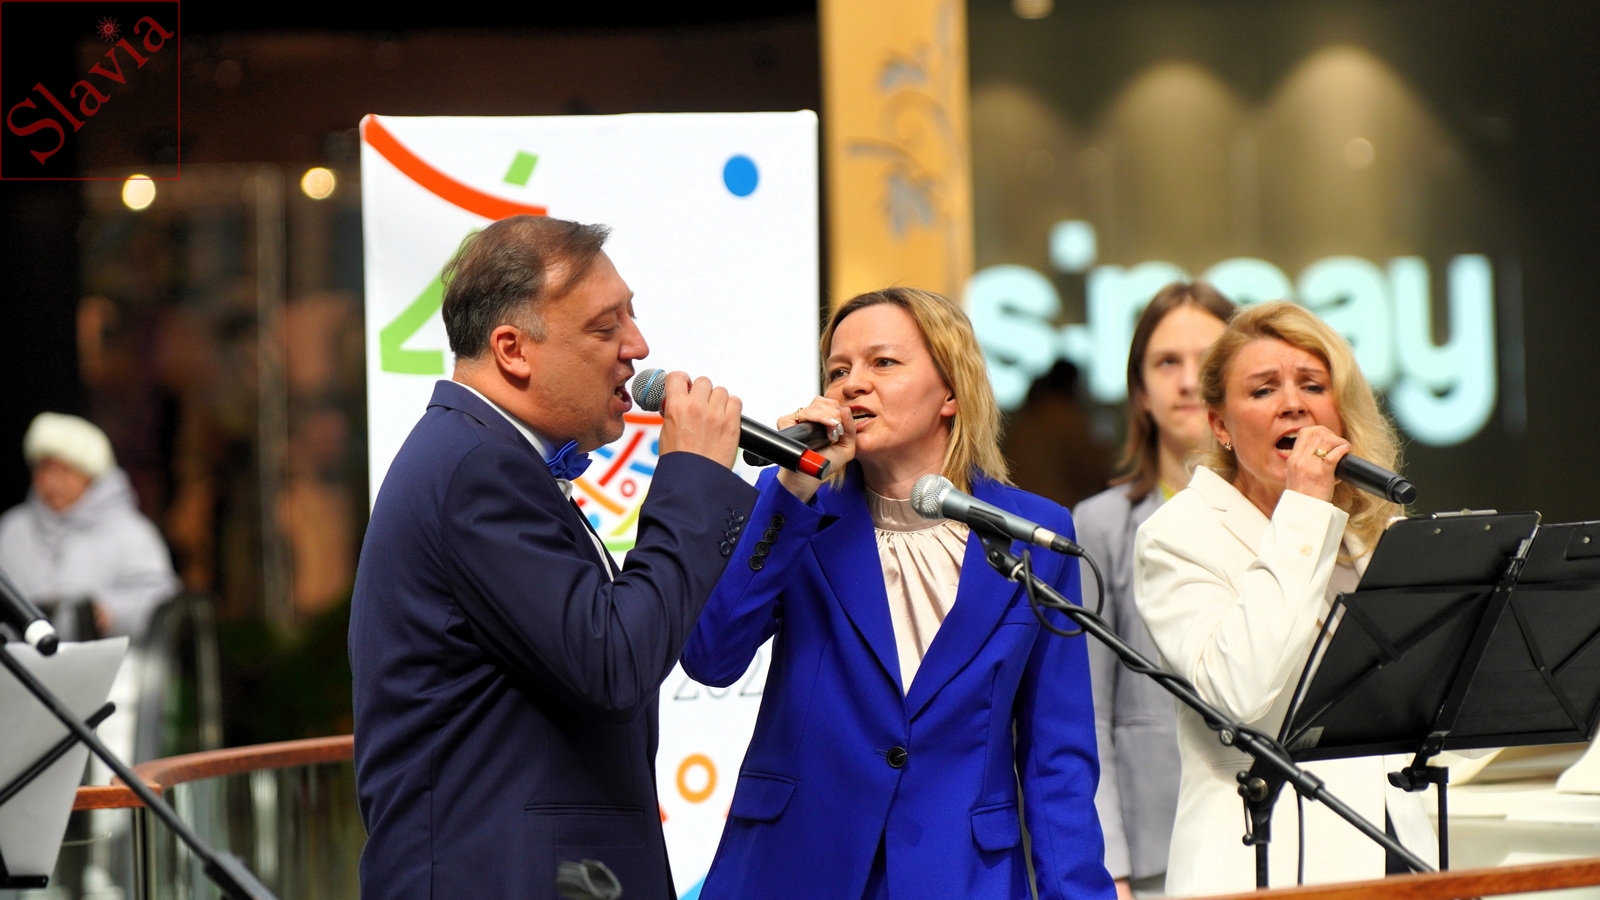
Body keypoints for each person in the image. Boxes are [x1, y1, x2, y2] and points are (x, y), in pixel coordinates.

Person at [348, 215, 756, 900]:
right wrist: (691, 477)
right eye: (604, 327)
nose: (638, 347)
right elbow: (614, 661)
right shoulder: (479, 468)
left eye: (631, 316)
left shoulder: (480, 455)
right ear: (513, 350)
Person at [682, 288, 1114, 900]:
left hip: (960, 876)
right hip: (794, 866)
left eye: (883, 362)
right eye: (839, 370)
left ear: (951, 393)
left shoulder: (1034, 533)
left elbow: (1057, 759)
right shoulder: (797, 510)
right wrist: (792, 488)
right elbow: (710, 657)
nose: (853, 384)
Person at [1132, 301, 1432, 895]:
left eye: (1313, 385)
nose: (1293, 403)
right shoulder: (1177, 535)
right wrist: (1305, 512)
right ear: (1220, 425)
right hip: (1261, 856)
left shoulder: (1374, 534)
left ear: (1340, 410)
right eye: (1264, 389)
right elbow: (1239, 693)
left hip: (1394, 851)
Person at [1073, 282, 1234, 898]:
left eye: (1209, 360)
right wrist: (1108, 866)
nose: (1189, 381)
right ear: (1140, 391)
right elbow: (1088, 710)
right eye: (1167, 362)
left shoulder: (1290, 517)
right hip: (1154, 852)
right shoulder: (1099, 524)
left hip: (1278, 834)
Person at [0, 411, 178, 641]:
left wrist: (112, 611)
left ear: (91, 476)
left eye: (65, 470)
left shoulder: (132, 533)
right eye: (45, 468)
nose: (53, 481)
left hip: (110, 659)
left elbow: (160, 600)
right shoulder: (13, 528)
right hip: (20, 658)